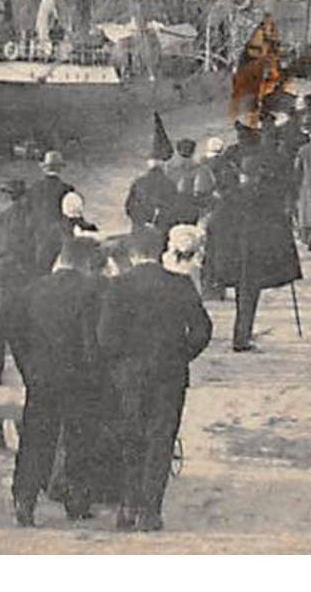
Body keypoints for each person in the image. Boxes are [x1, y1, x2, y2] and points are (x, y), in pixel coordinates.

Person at [97, 227, 213, 532]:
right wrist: (181, 355)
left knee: (130, 438)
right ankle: (151, 510)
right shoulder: (181, 284)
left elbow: (106, 337)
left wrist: (122, 363)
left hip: (130, 378)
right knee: (161, 441)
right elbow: (202, 331)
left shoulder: (117, 286)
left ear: (133, 255)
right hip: (169, 377)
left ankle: (127, 505)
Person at [6, 235, 104, 527]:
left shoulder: (31, 290)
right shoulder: (93, 290)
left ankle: (24, 499)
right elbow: (92, 341)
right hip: (80, 379)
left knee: (35, 439)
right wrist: (95, 372)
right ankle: (76, 501)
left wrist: (29, 370)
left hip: (41, 378)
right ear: (86, 262)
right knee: (80, 440)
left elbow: (15, 335)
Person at [204, 155, 303, 352]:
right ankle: (241, 337)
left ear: (241, 174)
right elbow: (280, 226)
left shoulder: (228, 198)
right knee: (248, 297)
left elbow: (214, 226)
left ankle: (241, 335)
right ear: (258, 174)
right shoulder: (265, 199)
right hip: (255, 257)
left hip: (232, 256)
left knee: (242, 295)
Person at [0, 177, 38, 386]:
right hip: (27, 275)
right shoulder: (33, 221)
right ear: (24, 195)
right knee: (29, 322)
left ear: (7, 196)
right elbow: (38, 250)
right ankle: (31, 366)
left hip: (4, 276)